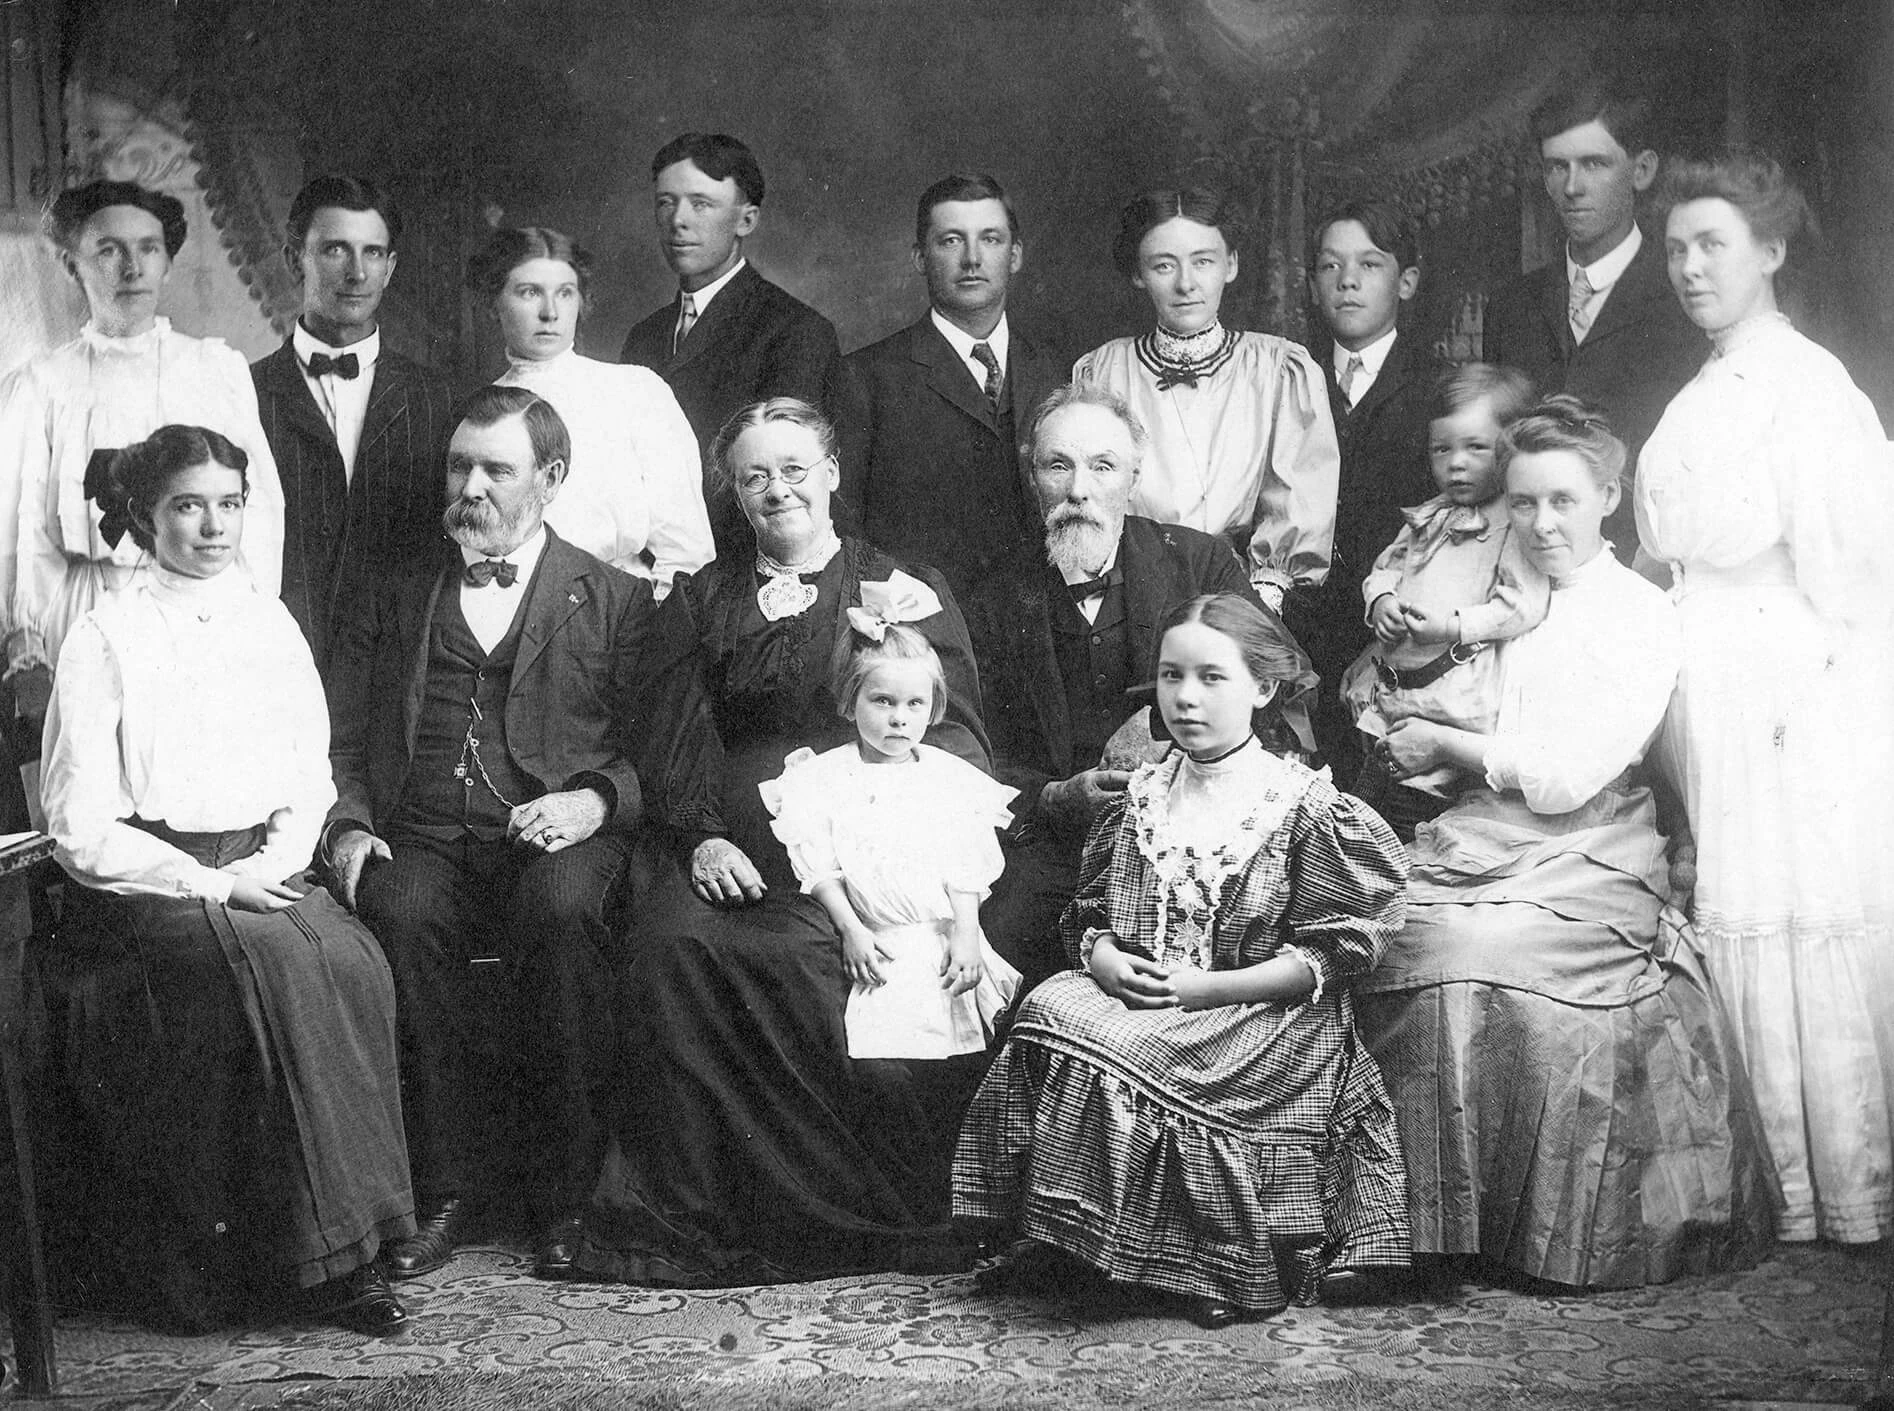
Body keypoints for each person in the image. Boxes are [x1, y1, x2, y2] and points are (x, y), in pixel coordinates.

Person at [1356, 397, 1776, 1288]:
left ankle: (1508, 1232)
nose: (1542, 523)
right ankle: (1416, 1229)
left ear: (1608, 497)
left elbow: (1566, 777)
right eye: (1522, 502)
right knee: (1396, 935)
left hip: (1594, 841)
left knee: (1480, 946)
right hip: (1484, 830)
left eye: (1563, 501)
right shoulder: (1507, 594)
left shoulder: (1639, 612)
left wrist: (1449, 744)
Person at [573, 396, 992, 1287]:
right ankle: (686, 1210)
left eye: (795, 469)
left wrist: (888, 834)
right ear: (734, 491)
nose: (777, 490)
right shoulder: (702, 596)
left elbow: (955, 736)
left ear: (832, 472)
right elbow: (675, 733)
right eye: (754, 475)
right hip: (732, 838)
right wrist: (700, 839)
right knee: (670, 943)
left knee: (816, 966)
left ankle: (826, 1215)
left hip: (861, 846)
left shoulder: (898, 589)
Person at [322, 386, 713, 1283]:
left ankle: (570, 1193)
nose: (473, 486)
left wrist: (596, 804)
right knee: (400, 909)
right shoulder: (393, 588)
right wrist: (345, 825)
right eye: (462, 465)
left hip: (557, 832)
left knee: (566, 908)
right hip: (418, 832)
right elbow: (336, 735)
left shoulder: (615, 596)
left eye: (498, 468)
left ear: (551, 478)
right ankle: (447, 1188)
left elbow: (659, 756)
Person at [36, 424, 412, 1334]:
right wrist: (209, 886)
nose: (212, 525)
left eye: (228, 504)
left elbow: (308, 779)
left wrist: (264, 866)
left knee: (351, 958)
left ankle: (361, 1239)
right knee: (269, 967)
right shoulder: (104, 635)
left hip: (257, 866)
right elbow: (77, 825)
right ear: (146, 515)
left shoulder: (268, 620)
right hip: (142, 888)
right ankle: (318, 1267)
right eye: (187, 505)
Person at [955, 592, 1411, 1328]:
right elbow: (1092, 913)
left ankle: (1202, 1258)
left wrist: (1208, 986)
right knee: (1048, 1009)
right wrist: (1102, 958)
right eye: (1171, 677)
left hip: (1263, 1013)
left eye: (1211, 678)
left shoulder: (1301, 804)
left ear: (1263, 688)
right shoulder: (1141, 795)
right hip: (1151, 993)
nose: (1185, 697)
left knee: (1117, 1042)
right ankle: (1071, 1241)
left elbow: (1332, 955)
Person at [1637, 150, 1894, 1246]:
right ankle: (1772, 1184)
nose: (1689, 268)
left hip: (1790, 681)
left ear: (1773, 253)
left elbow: (1853, 568)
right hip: (1716, 678)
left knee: (1797, 905)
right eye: (1677, 249)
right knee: (1745, 896)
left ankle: (1836, 1183)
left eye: (1713, 247)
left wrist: (1818, 685)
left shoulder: (1809, 385)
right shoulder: (1703, 385)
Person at [966, 383, 1263, 987]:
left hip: (1192, 833)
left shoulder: (1200, 565)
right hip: (1051, 844)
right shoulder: (993, 591)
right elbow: (970, 743)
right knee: (1000, 947)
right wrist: (1050, 798)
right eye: (1059, 466)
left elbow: (1283, 686)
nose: (1079, 489)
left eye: (1102, 466)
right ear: (1032, 477)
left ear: (1133, 475)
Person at [0, 180, 284, 724]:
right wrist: (28, 647)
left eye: (149, 249)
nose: (132, 268)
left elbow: (262, 509)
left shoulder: (212, 371)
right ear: (71, 265)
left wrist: (244, 619)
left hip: (198, 614)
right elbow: (21, 530)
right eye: (109, 251)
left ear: (167, 263)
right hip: (82, 608)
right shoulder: (41, 385)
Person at [1072, 187, 1339, 616]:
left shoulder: (1277, 368)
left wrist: (1255, 607)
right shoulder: (1102, 371)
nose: (1185, 284)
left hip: (1239, 594)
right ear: (1139, 274)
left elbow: (1297, 500)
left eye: (1203, 262)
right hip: (1130, 596)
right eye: (1163, 265)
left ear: (1230, 265)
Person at [763, 620, 1020, 1060]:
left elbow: (964, 868)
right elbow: (822, 870)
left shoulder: (948, 778)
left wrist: (967, 933)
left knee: (958, 1053)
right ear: (850, 700)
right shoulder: (822, 778)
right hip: (870, 940)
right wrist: (851, 929)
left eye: (915, 703)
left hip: (943, 940)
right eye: (882, 701)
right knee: (877, 1059)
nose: (899, 718)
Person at [1482, 78, 1701, 559]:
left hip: (1644, 568)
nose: (1573, 187)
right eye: (1557, 167)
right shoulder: (1511, 306)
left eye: (1594, 164)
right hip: (1524, 562)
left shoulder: (1685, 303)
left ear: (1641, 170)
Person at [252, 175, 456, 678]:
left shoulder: (438, 398)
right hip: (274, 664)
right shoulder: (243, 394)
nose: (357, 272)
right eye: (335, 250)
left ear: (390, 269)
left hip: (398, 671)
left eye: (373, 253)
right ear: (292, 259)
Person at [839, 173, 1065, 599]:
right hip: (924, 631)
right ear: (921, 258)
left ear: (1015, 255)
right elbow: (846, 531)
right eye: (951, 241)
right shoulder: (865, 376)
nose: (972, 260)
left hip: (1042, 632)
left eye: (991, 239)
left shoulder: (1054, 368)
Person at [1343, 364, 1545, 835]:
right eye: (1442, 449)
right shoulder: (1429, 516)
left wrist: (1452, 627)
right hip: (1397, 690)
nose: (1456, 463)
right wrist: (1382, 602)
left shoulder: (1510, 528)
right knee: (1361, 804)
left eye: (1476, 447)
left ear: (1510, 447)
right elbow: (1384, 569)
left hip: (1453, 697)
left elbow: (1522, 605)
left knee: (1415, 811)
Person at [620, 132, 843, 552]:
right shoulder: (644, 337)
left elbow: (783, 480)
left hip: (739, 567)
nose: (678, 220)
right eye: (666, 202)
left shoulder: (794, 330)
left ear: (747, 220)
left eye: (701, 204)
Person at [472, 225, 713, 594]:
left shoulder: (635, 391)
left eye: (565, 294)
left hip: (620, 614)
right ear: (494, 304)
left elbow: (687, 552)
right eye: (529, 292)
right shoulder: (476, 411)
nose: (550, 312)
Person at [1298, 199, 1446, 777]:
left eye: (1370, 265)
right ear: (1312, 285)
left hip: (1391, 622)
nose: (1349, 281)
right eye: (1330, 267)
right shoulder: (1292, 376)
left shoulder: (1436, 388)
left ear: (1405, 281)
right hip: (1303, 619)